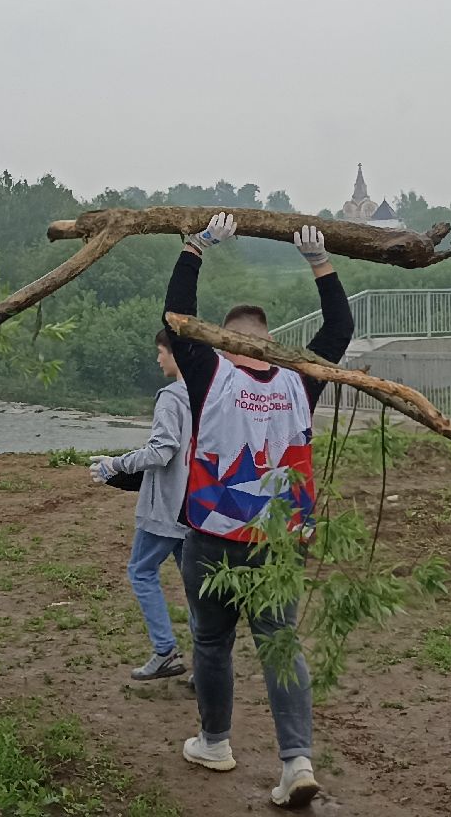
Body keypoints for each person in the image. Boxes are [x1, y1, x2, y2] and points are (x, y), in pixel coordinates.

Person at [163, 213, 354, 810]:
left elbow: (174, 315)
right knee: (279, 641)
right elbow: (340, 328)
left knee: (212, 642)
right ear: (269, 340)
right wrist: (320, 263)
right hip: (280, 539)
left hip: (213, 533)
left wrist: (197, 245)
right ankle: (296, 761)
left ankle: (215, 742)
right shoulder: (301, 380)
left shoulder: (206, 370)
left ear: (225, 337)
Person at [90, 328, 194, 681]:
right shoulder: (210, 392)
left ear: (174, 353)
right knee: (194, 584)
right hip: (198, 507)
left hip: (166, 508)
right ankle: (209, 663)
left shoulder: (171, 397)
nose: (158, 358)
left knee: (141, 571)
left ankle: (164, 650)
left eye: (161, 352)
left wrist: (116, 464)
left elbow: (163, 450)